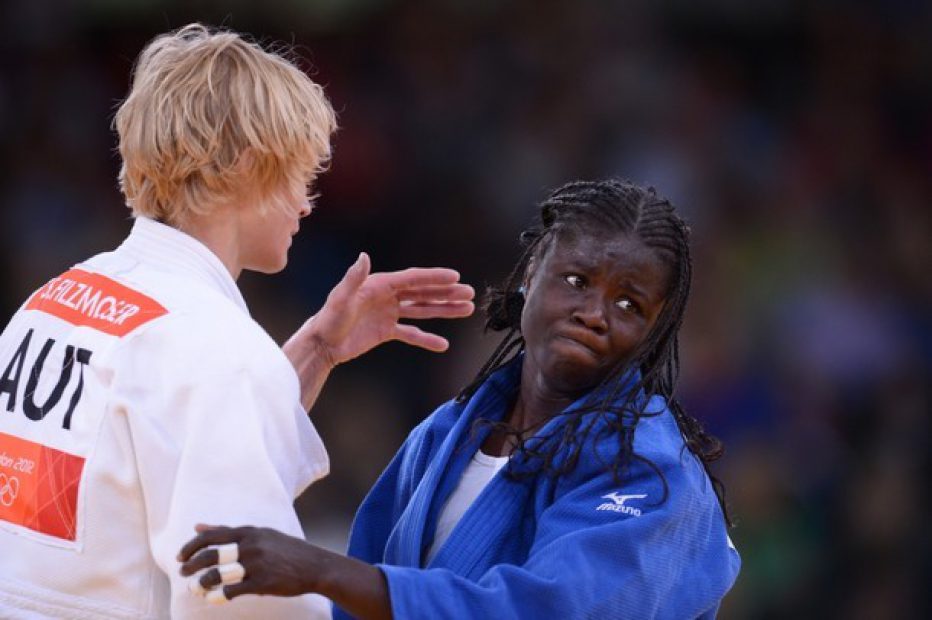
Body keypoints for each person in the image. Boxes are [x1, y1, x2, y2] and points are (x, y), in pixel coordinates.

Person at [0, 24, 475, 620]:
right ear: (251, 167)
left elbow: (154, 455)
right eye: (303, 176)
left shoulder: (54, 300)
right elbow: (236, 596)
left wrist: (316, 351)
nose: (307, 204)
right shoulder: (217, 349)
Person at [179, 179, 741, 619]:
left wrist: (320, 570)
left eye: (629, 305)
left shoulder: (651, 471)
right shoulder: (447, 432)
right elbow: (361, 599)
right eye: (576, 282)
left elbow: (545, 612)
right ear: (530, 276)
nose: (594, 313)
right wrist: (321, 349)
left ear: (656, 330)